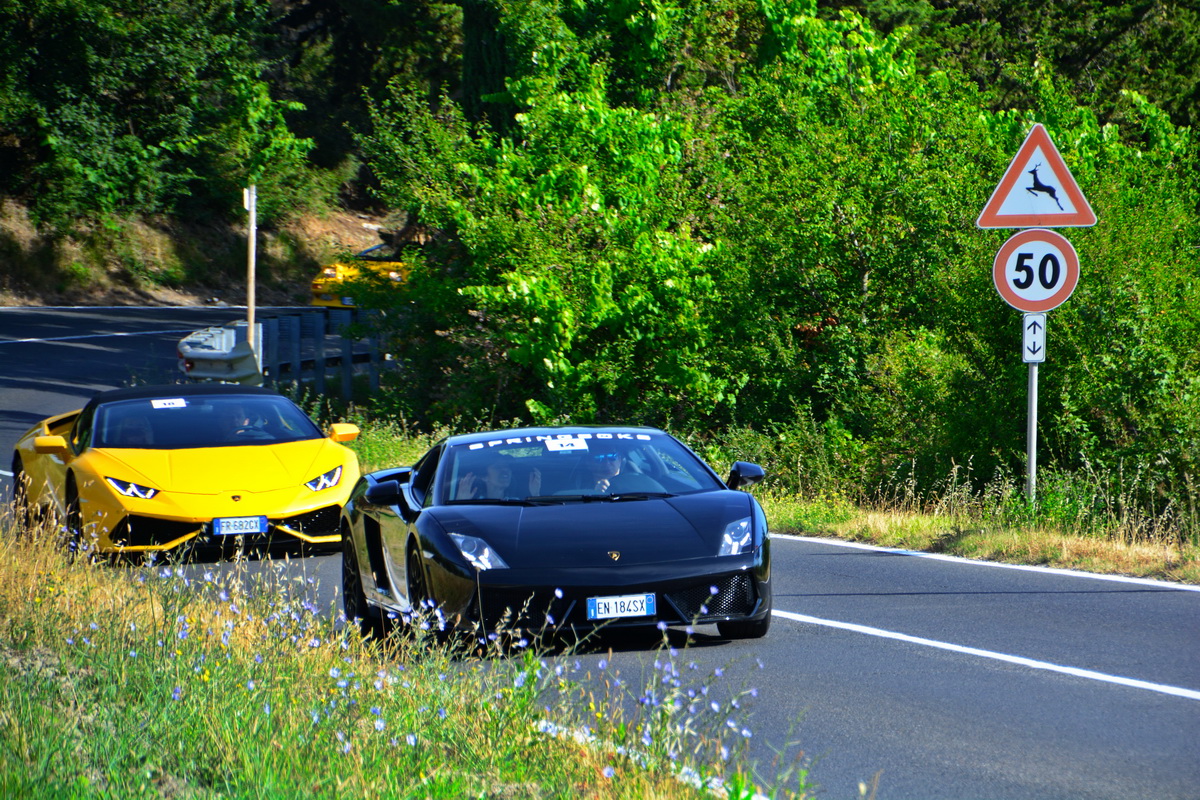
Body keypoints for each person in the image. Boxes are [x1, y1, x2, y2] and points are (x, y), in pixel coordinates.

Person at [457, 454, 541, 499]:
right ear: (484, 477)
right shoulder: (473, 505)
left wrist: (535, 495)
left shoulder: (517, 503)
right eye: (498, 467)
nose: (505, 470)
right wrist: (460, 501)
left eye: (507, 466)